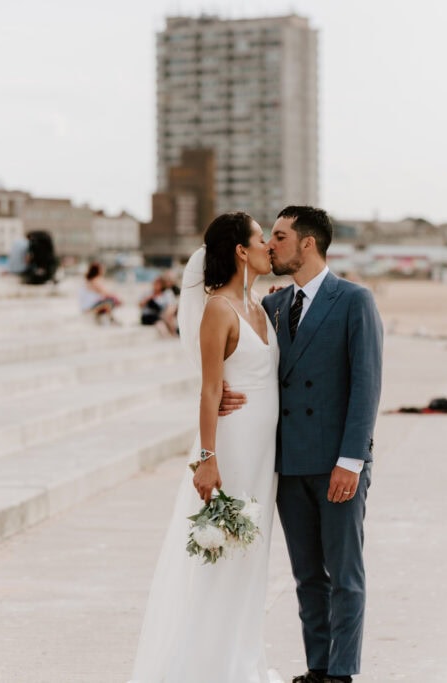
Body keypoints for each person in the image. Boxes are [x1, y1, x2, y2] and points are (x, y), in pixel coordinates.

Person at [221, 206, 383, 683]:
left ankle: (342, 673)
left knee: (345, 576)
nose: (271, 245)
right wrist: (225, 396)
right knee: (308, 577)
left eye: (280, 236)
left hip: (337, 462)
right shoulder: (271, 307)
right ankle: (318, 668)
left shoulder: (355, 300)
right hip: (288, 464)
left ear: (307, 243)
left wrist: (351, 460)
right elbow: (257, 372)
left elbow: (366, 385)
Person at [130, 212, 281, 681]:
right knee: (226, 556)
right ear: (241, 250)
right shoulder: (219, 309)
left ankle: (242, 656)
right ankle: (212, 667)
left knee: (254, 557)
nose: (269, 247)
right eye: (261, 239)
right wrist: (207, 461)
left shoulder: (259, 305)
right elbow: (211, 388)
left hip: (265, 451)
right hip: (233, 447)